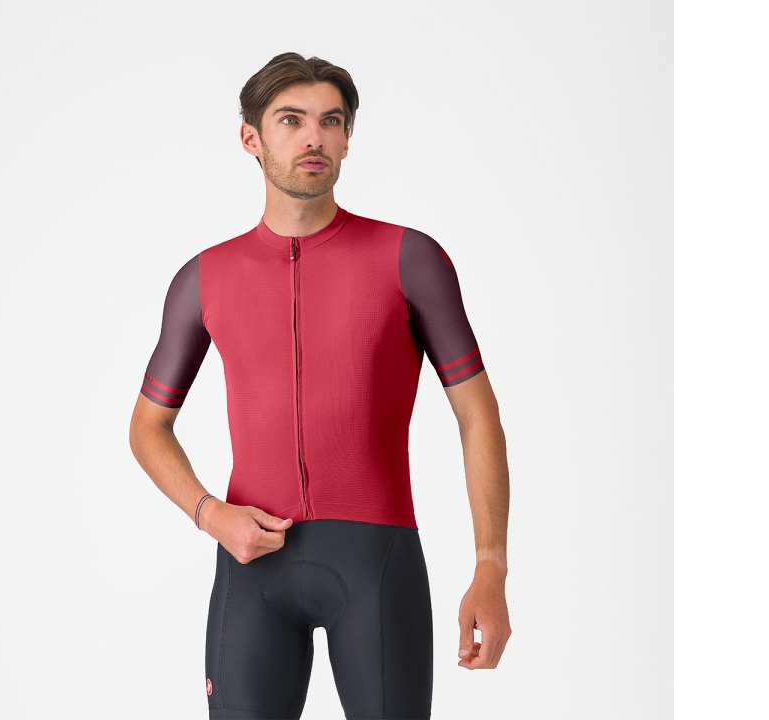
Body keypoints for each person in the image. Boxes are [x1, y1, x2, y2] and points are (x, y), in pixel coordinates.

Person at [129, 52, 511, 720]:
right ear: (251, 137)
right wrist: (209, 513)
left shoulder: (409, 259)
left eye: (331, 122)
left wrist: (490, 566)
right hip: (251, 566)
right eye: (292, 120)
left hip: (376, 564)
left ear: (347, 139)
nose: (314, 137)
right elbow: (147, 426)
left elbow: (478, 415)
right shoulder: (204, 278)